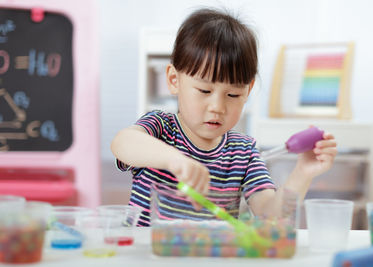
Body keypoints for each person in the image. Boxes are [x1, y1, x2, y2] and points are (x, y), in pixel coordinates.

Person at [111, 8, 337, 227]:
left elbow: (272, 219)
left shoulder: (244, 151)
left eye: (232, 94)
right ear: (173, 80)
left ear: (247, 91)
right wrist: (175, 160)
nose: (217, 107)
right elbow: (122, 143)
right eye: (204, 91)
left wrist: (302, 174)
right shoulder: (161, 128)